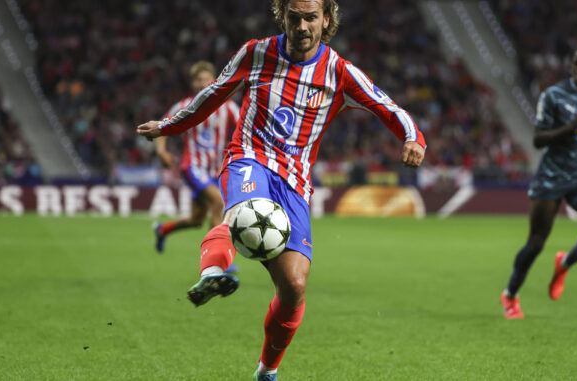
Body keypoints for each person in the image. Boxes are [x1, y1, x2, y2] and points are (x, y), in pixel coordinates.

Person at [136, 1, 426, 379]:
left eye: (310, 18)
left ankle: (266, 371)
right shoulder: (256, 52)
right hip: (248, 158)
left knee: (294, 286)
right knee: (241, 214)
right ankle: (212, 272)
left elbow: (390, 108)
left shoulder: (339, 72)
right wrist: (169, 127)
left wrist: (413, 137)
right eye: (294, 17)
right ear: (283, 16)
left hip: (296, 183)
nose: (302, 26)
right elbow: (213, 93)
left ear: (326, 19)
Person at [499, 48, 577, 319]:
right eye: (576, 62)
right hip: (551, 176)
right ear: (570, 68)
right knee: (536, 243)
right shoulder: (553, 96)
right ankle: (510, 295)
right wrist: (571, 126)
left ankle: (564, 263)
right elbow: (538, 139)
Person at [152, 61, 239, 256]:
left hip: (215, 171)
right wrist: (161, 151)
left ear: (215, 81)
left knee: (196, 220)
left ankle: (162, 229)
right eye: (200, 80)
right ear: (193, 83)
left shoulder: (229, 107)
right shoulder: (183, 106)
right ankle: (216, 258)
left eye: (207, 80)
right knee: (218, 203)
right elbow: (162, 127)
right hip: (193, 166)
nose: (204, 83)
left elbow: (245, 127)